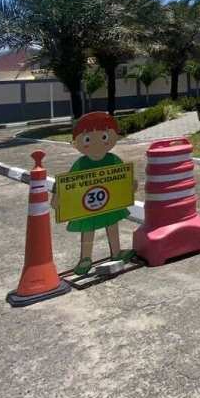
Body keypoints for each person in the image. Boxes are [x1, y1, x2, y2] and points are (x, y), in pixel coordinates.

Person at [53, 111, 137, 275]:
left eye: (104, 137)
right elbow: (67, 183)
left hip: (110, 203)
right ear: (76, 143)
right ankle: (85, 259)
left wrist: (131, 186)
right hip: (88, 207)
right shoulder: (81, 163)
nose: (97, 144)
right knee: (88, 231)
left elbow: (123, 177)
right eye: (88, 140)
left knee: (112, 226)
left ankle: (116, 252)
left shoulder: (113, 159)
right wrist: (57, 196)